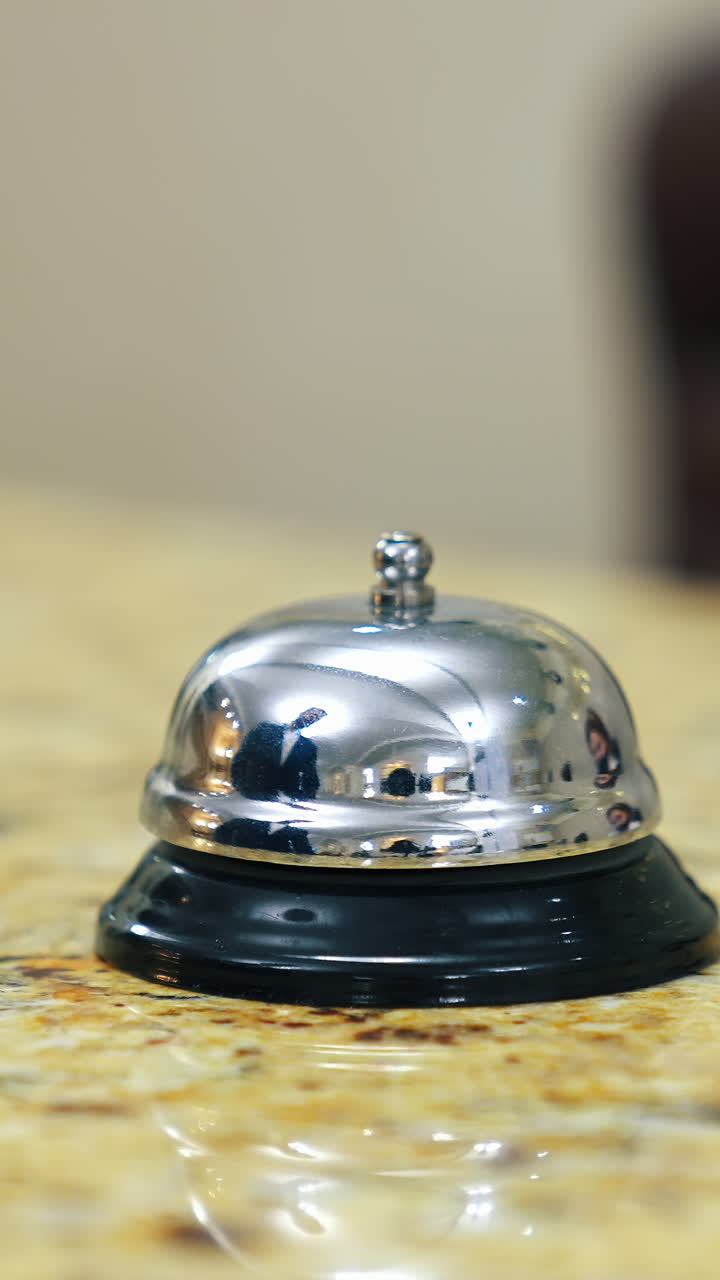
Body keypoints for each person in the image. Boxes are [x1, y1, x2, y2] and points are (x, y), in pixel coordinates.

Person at [585, 709, 622, 789]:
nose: (600, 775)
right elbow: (607, 747)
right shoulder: (613, 764)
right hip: (598, 732)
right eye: (603, 778)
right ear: (611, 777)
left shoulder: (603, 767)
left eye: (598, 778)